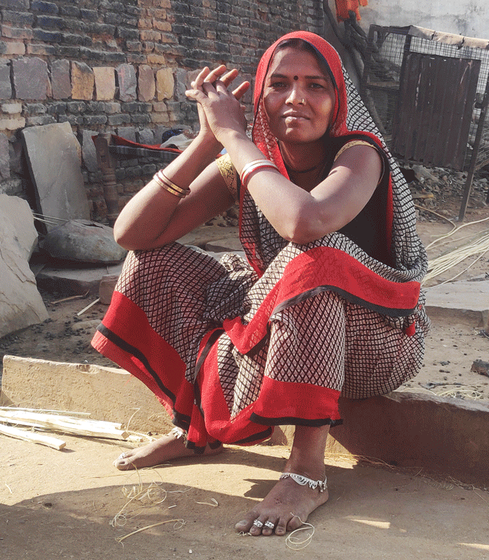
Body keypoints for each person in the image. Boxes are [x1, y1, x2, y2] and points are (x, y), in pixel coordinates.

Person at [91, 31, 429, 537]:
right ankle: (195, 429)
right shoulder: (243, 160)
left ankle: (307, 470)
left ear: (338, 100)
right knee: (154, 262)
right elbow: (133, 234)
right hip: (288, 324)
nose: (297, 98)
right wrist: (209, 139)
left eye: (315, 85)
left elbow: (305, 223)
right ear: (260, 99)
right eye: (281, 84)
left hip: (376, 344)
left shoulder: (360, 155)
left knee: (314, 260)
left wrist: (236, 139)